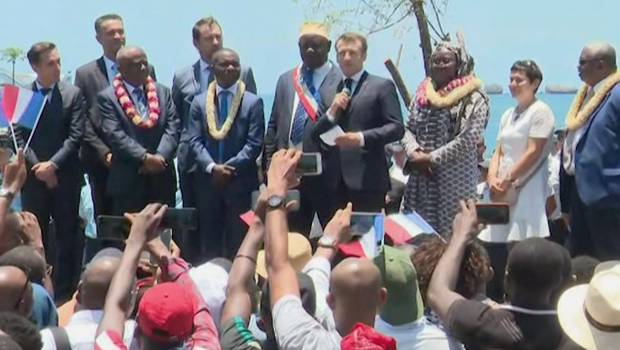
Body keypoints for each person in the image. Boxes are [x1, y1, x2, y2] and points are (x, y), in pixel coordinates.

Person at [427, 201, 581, 350]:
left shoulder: (482, 323)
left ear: (506, 278)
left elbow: (437, 292)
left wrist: (460, 235)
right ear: (557, 282)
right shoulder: (574, 335)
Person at [173, 16, 257, 262]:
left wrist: (231, 166)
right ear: (196, 42)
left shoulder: (244, 74)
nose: (216, 41)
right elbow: (178, 121)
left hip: (236, 170)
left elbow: (249, 120)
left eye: (219, 36)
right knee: (200, 231)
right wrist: (205, 164)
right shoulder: (182, 77)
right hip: (196, 167)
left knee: (236, 234)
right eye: (209, 38)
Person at [16, 42, 85, 301]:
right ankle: (35, 291)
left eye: (58, 62)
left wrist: (53, 165)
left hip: (65, 177)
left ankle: (65, 292)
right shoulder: (22, 96)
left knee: (67, 234)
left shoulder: (72, 94)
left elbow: (76, 136)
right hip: (34, 180)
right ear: (35, 67)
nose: (57, 68)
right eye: (50, 63)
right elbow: (18, 137)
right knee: (35, 233)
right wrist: (39, 167)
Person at [401, 41, 489, 235]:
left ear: (459, 64)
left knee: (454, 237)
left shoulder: (474, 97)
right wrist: (415, 153)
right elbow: (406, 128)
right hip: (421, 178)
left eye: (446, 61)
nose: (440, 65)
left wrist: (431, 158)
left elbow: (468, 138)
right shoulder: (421, 95)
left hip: (454, 179)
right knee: (417, 237)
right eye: (436, 61)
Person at [263, 21, 342, 237]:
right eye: (304, 45)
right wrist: (270, 166)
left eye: (315, 44)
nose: (309, 50)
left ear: (328, 46)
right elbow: (273, 127)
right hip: (291, 173)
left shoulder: (341, 79)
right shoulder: (287, 80)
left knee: (333, 237)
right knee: (292, 238)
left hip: (328, 175)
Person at [75, 13, 157, 219]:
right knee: (110, 222)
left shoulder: (145, 69)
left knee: (148, 219)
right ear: (98, 38)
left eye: (121, 31)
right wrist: (103, 152)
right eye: (111, 33)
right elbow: (83, 119)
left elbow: (152, 110)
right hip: (105, 162)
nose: (118, 36)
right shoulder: (86, 73)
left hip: (140, 160)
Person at [314, 32, 404, 213]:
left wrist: (361, 138)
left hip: (368, 180)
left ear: (363, 56)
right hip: (334, 181)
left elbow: (396, 128)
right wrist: (332, 112)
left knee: (367, 239)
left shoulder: (381, 86)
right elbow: (316, 132)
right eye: (342, 53)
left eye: (352, 53)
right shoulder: (328, 90)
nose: (347, 58)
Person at [188, 48, 264, 261]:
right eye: (224, 64)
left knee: (238, 240)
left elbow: (254, 143)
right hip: (208, 183)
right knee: (209, 241)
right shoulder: (198, 102)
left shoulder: (253, 102)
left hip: (240, 183)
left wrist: (229, 168)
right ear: (212, 69)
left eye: (235, 64)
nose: (231, 68)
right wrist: (213, 168)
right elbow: (193, 141)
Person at [98, 46, 180, 215]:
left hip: (162, 178)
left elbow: (173, 127)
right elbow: (114, 134)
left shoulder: (162, 92)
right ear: (122, 69)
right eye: (137, 64)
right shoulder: (108, 98)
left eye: (145, 63)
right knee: (130, 238)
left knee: (163, 237)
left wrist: (159, 157)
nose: (144, 68)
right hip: (128, 181)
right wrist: (143, 157)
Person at [562, 42, 620, 260]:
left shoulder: (617, 94)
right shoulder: (587, 93)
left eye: (583, 62)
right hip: (580, 195)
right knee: (579, 261)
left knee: (610, 263)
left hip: (609, 198)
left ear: (601, 65)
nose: (578, 67)